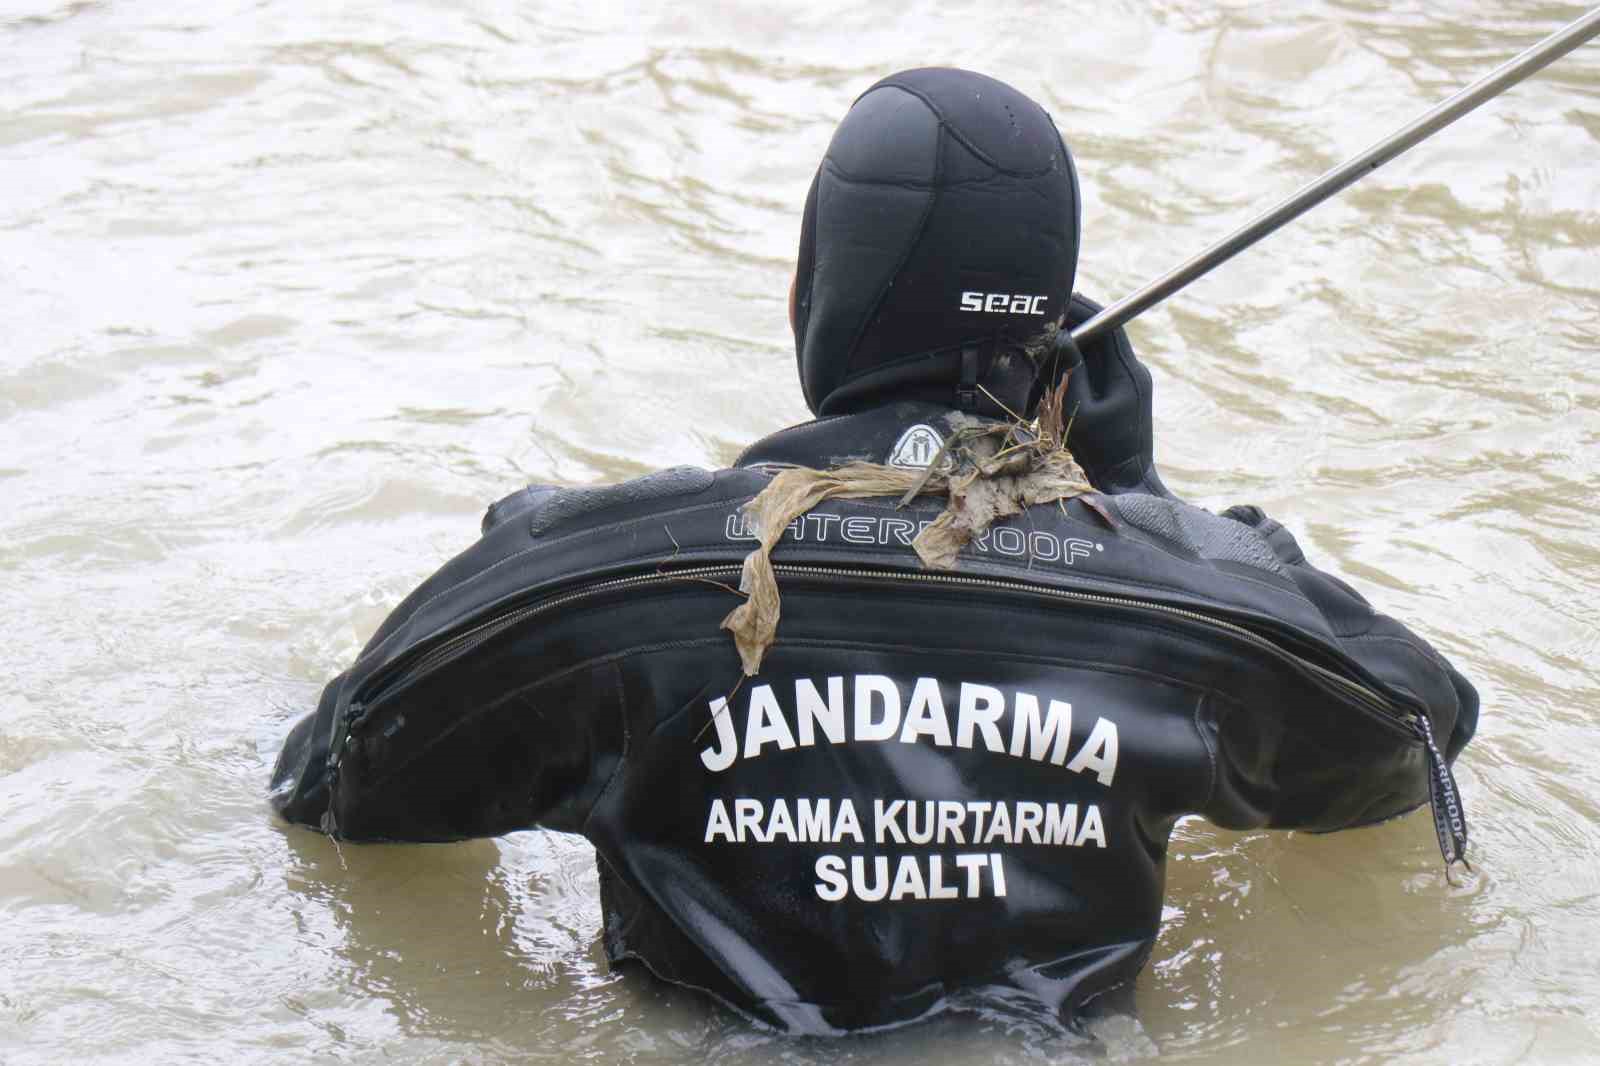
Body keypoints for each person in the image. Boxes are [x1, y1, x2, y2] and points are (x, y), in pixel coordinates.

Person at [269, 67, 1478, 1035]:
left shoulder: (596, 574)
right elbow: (1417, 735)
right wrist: (1140, 500)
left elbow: (332, 785)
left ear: (817, 291)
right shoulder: (1190, 612)